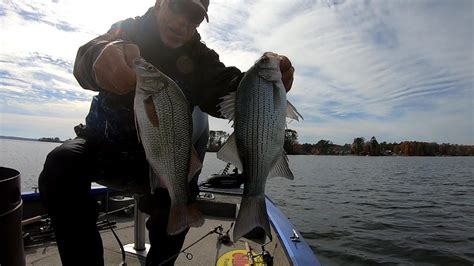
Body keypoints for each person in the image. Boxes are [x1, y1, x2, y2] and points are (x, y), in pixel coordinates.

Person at [38, 0, 295, 265]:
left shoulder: (201, 60)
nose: (183, 21)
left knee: (179, 203)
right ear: (160, 3)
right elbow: (88, 55)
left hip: (165, 160)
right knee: (61, 164)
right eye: (178, 6)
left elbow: (228, 86)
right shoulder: (127, 31)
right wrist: (99, 57)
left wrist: (263, 85)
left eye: (194, 16)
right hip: (105, 148)